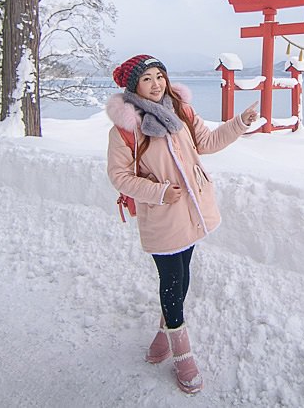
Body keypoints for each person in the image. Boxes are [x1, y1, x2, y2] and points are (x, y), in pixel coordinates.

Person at [106, 54, 258, 395]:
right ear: (134, 86)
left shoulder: (181, 112)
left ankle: (163, 334)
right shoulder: (126, 128)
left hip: (193, 209)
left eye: (160, 75)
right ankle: (182, 352)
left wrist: (240, 122)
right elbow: (119, 176)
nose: (157, 83)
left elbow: (207, 143)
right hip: (162, 215)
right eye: (148, 79)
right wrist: (158, 192)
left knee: (184, 274)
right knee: (171, 279)